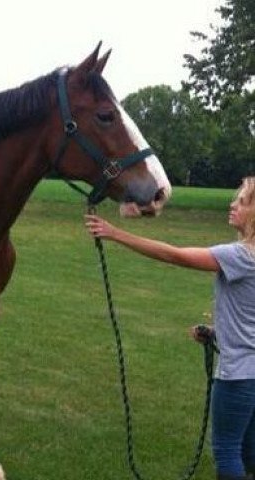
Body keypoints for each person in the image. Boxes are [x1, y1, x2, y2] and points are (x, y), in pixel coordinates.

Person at [85, 177, 255, 480]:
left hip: (239, 375)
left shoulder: (240, 256)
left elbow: (175, 255)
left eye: (241, 202)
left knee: (227, 451)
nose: (232, 205)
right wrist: (216, 333)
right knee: (249, 450)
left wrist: (115, 234)